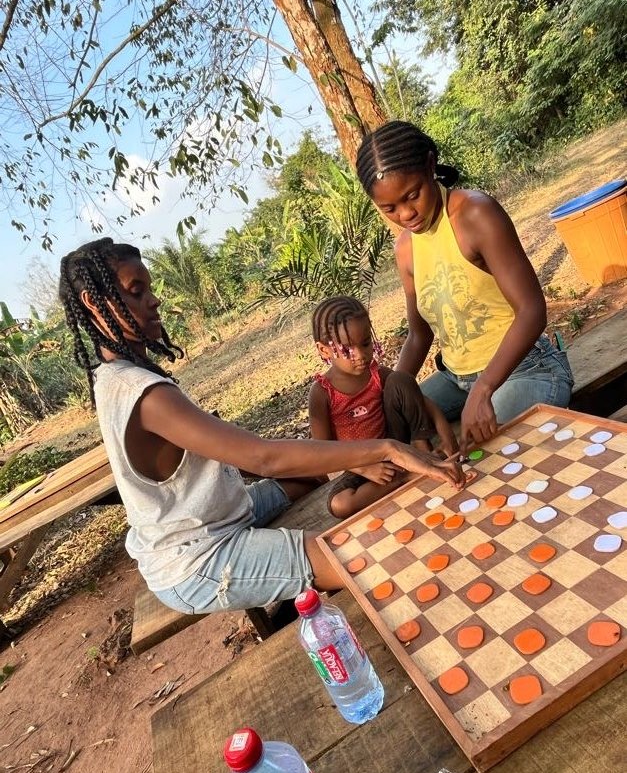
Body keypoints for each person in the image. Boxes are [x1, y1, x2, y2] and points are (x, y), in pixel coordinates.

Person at [58, 238, 464, 615]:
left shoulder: (112, 375)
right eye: (135, 291)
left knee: (310, 479)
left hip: (221, 513)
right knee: (357, 560)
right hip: (198, 557)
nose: (153, 299)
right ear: (93, 303)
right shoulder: (144, 393)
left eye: (147, 288)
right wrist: (387, 449)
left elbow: (243, 457)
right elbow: (263, 457)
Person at [356, 121, 574, 454]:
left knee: (486, 457)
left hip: (524, 369)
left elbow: (532, 311)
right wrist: (396, 389)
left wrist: (484, 388)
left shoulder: (474, 213)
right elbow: (419, 334)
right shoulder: (405, 249)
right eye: (390, 208)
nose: (406, 213)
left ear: (431, 166)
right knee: (390, 431)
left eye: (412, 195)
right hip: (456, 380)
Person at [309, 295, 459, 518]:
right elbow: (323, 452)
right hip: (358, 463)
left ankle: (421, 451)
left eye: (366, 343)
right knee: (340, 505)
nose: (360, 355)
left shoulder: (375, 373)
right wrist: (365, 468)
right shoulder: (321, 393)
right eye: (347, 349)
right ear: (324, 350)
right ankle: (409, 474)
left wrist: (446, 435)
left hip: (397, 446)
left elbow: (423, 401)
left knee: (401, 380)